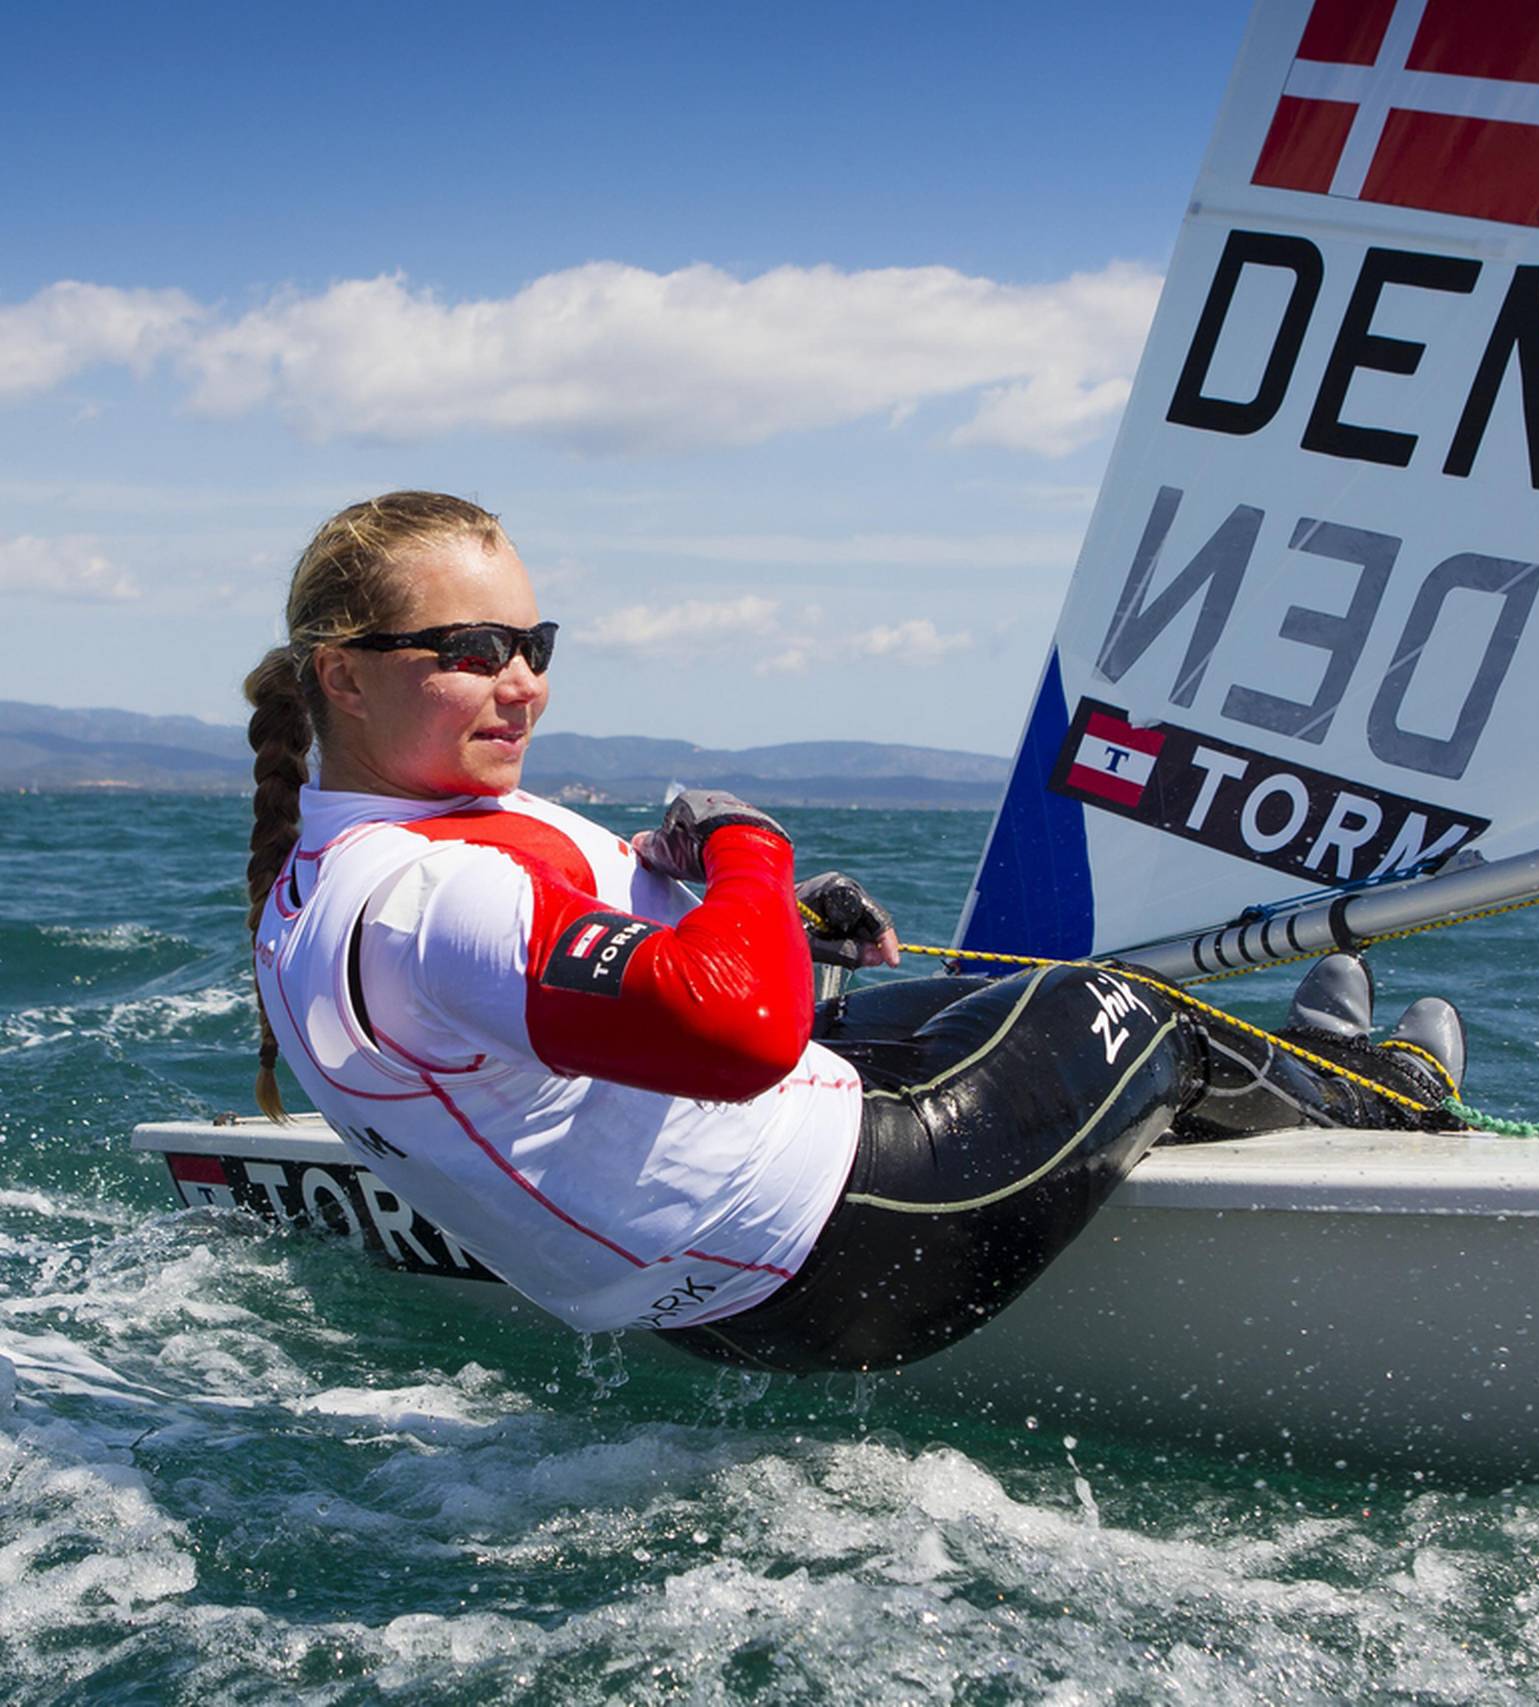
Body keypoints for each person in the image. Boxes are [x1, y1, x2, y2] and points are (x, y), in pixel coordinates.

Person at [243, 492, 1465, 1372]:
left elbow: (590, 972)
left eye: (533, 643)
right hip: (859, 1247)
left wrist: (769, 916)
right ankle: (1391, 1096)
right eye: (470, 651)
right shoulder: (425, 894)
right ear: (342, 675)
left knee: (958, 1014)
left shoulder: (353, 861)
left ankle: (1293, 1083)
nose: (520, 680)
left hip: (705, 1308)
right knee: (1124, 1010)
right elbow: (734, 1036)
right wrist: (748, 842)